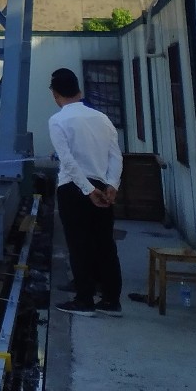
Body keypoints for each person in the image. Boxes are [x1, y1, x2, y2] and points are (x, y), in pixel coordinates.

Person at [48, 66, 123, 317]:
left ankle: (84, 300)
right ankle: (111, 300)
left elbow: (68, 161)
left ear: (55, 94)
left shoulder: (58, 121)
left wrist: (87, 190)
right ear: (79, 91)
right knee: (105, 243)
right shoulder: (102, 118)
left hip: (74, 189)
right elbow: (116, 156)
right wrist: (112, 185)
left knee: (79, 244)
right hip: (102, 186)